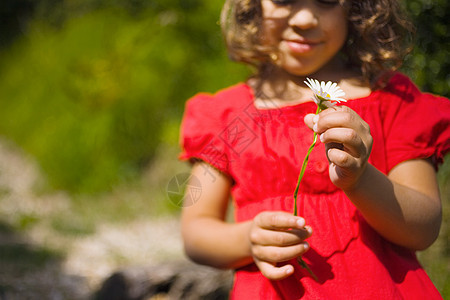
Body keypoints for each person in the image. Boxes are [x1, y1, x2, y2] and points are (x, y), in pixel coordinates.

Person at [178, 0, 450, 298]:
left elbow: (422, 229)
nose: (305, 19)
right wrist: (247, 239)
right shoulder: (227, 116)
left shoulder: (392, 98)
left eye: (328, 1)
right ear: (252, 6)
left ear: (357, 8)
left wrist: (360, 179)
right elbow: (195, 232)